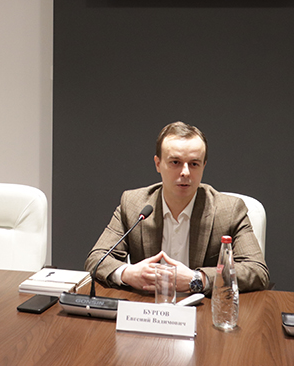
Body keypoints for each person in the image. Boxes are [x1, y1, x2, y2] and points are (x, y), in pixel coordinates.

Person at [85, 121, 269, 296]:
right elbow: (96, 259)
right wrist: (128, 273)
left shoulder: (229, 210)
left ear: (203, 166)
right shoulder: (133, 205)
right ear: (158, 164)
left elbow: (257, 271)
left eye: (194, 164)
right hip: (148, 309)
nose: (185, 172)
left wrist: (197, 279)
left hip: (201, 310)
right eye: (175, 162)